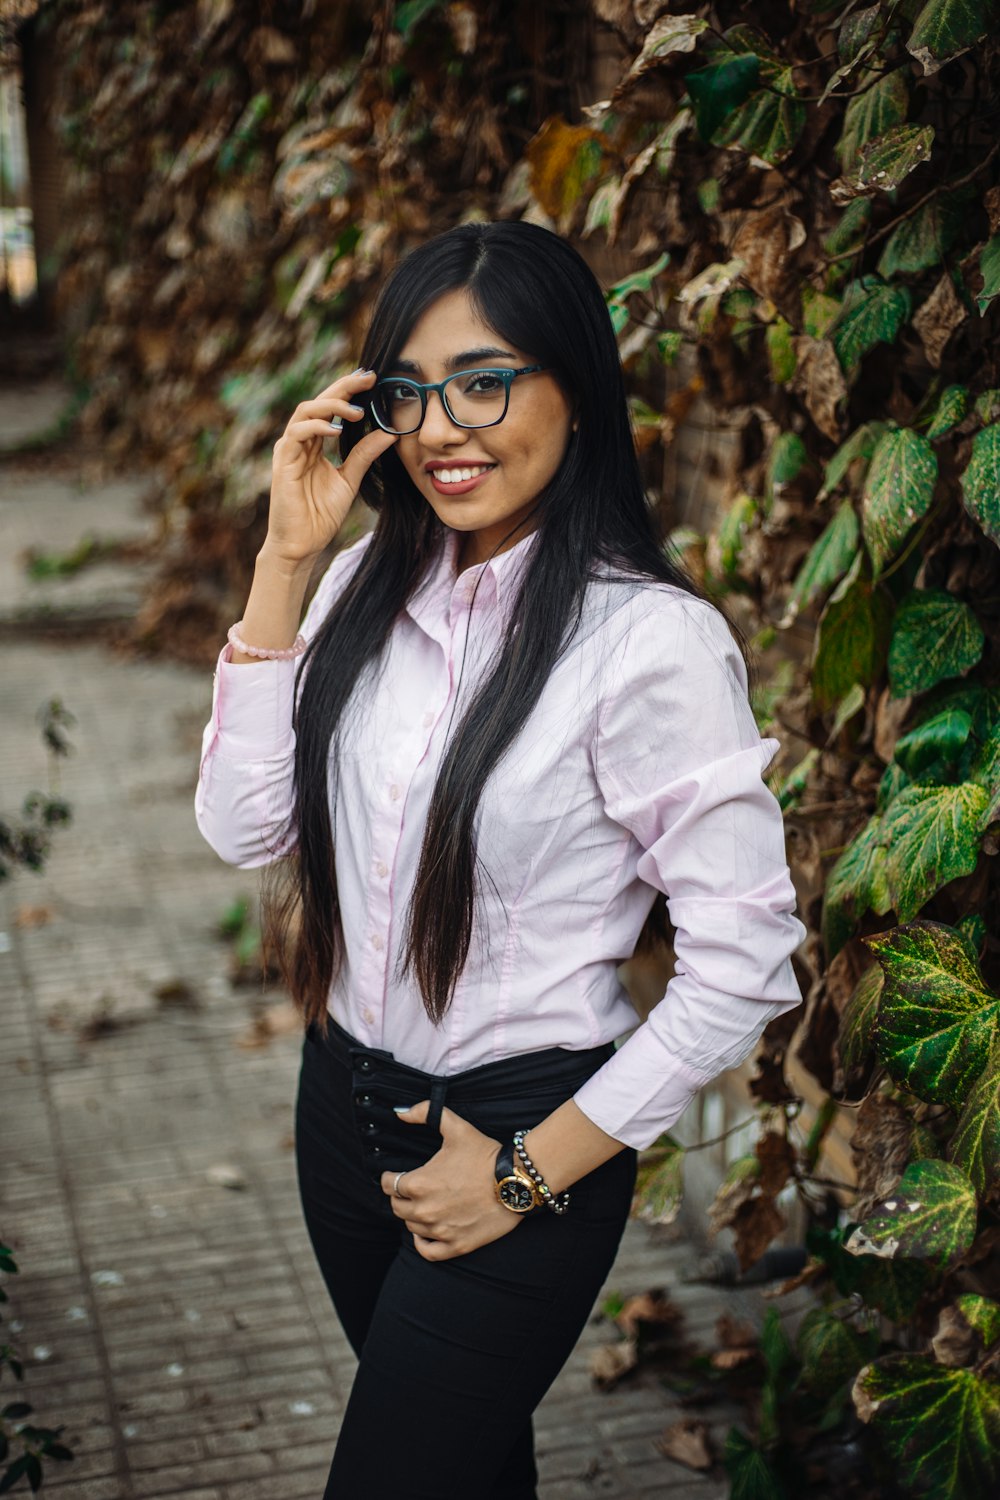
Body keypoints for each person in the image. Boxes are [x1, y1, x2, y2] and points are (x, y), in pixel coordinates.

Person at [194, 219, 805, 1499]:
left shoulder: (649, 645)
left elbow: (745, 960)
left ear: (573, 392)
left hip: (519, 1139)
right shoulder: (366, 583)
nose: (439, 428)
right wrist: (284, 563)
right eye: (409, 393)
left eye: (484, 382)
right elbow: (243, 829)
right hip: (341, 1118)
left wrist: (527, 1175)